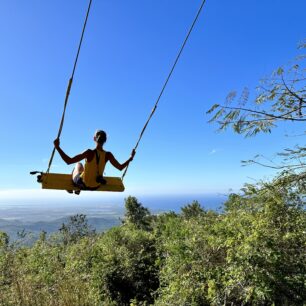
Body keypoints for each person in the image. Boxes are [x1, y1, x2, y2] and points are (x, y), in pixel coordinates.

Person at [53, 130, 135, 194]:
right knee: (82, 167)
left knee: (78, 165)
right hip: (96, 186)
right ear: (105, 141)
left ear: (94, 138)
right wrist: (130, 158)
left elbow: (68, 161)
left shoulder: (89, 152)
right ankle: (79, 188)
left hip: (83, 184)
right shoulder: (108, 155)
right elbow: (120, 167)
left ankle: (73, 187)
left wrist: (57, 147)